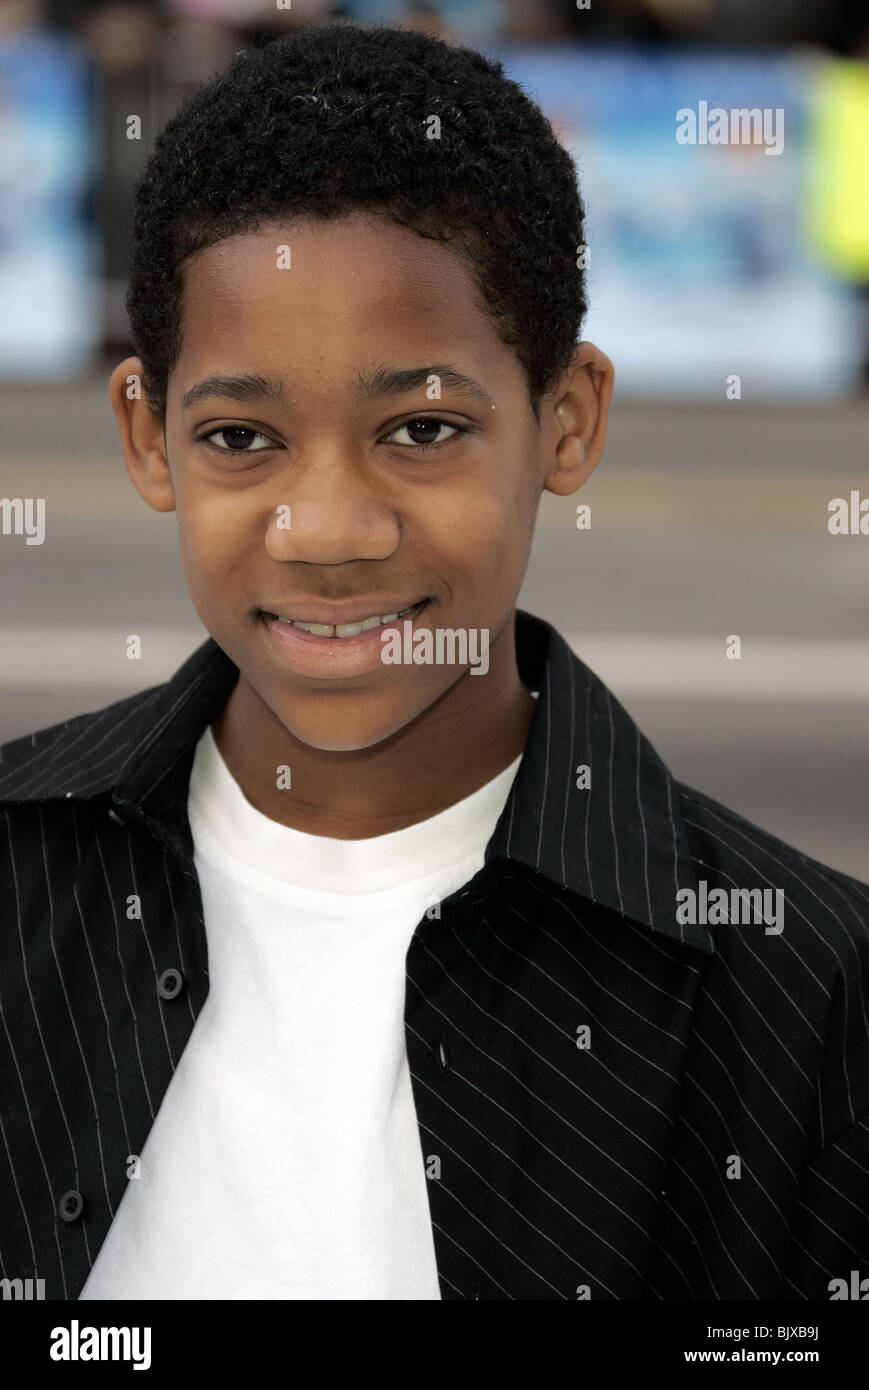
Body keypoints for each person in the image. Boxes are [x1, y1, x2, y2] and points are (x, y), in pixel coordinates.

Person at [1, 21, 867, 1302]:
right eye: (242, 436)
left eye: (420, 426)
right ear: (147, 439)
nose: (332, 530)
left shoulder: (803, 993)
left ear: (564, 421)